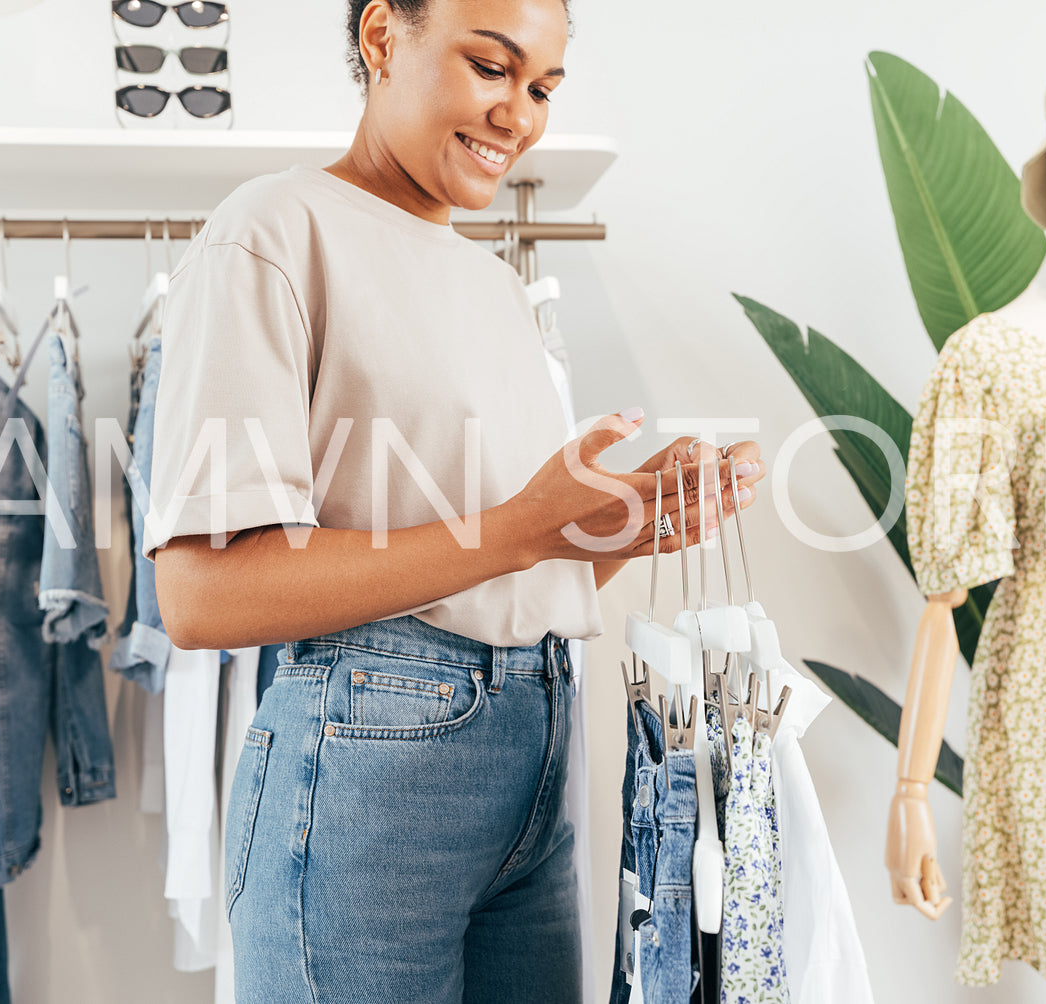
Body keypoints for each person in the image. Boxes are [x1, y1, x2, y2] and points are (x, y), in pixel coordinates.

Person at [145, 0, 765, 999]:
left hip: (536, 753)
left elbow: (495, 573)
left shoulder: (495, 287)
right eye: (490, 66)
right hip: (374, 771)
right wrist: (518, 530)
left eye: (543, 88)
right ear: (382, 37)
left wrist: (607, 534)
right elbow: (202, 595)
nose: (517, 114)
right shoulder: (272, 229)